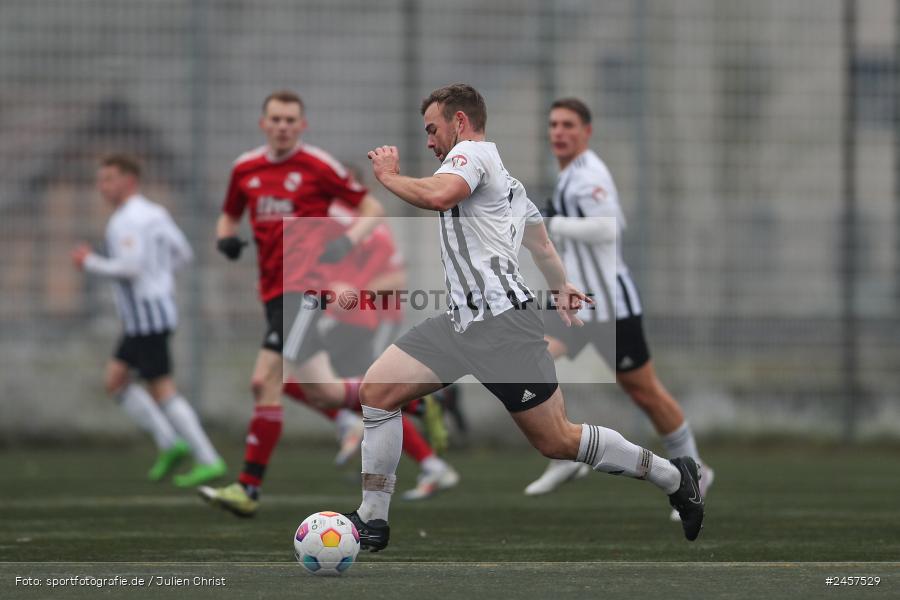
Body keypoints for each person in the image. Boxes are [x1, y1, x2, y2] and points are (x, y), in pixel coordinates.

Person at [344, 84, 705, 552]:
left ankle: (675, 476)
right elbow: (542, 244)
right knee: (377, 391)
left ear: (460, 123)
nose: (429, 142)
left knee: (557, 441)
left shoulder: (472, 156)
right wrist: (560, 286)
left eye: (433, 129)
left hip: (503, 327)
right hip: (461, 323)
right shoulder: (509, 185)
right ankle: (373, 520)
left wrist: (388, 176)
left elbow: (440, 195)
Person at [524, 98, 714, 522]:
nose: (559, 132)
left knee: (644, 391)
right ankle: (564, 451)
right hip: (578, 301)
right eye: (553, 124)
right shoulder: (569, 175)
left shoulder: (589, 173)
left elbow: (610, 226)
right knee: (534, 355)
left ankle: (696, 473)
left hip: (610, 304)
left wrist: (549, 223)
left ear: (586, 132)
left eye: (569, 125)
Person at [200, 90, 385, 517]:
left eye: (290, 120)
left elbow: (372, 207)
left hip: (304, 289)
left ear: (302, 126)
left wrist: (347, 241)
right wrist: (225, 237)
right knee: (321, 390)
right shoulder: (245, 169)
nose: (283, 126)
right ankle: (412, 398)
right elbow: (229, 214)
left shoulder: (318, 166)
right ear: (263, 123)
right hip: (270, 292)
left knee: (265, 378)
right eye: (276, 119)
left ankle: (247, 489)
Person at [282, 196, 459, 500]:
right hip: (336, 315)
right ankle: (429, 460)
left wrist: (350, 292)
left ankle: (363, 422)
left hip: (356, 319)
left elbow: (396, 277)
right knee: (365, 397)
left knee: (289, 378)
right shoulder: (334, 227)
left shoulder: (363, 229)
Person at [71, 154, 226, 487]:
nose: (103, 186)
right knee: (115, 381)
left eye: (109, 178)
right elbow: (183, 253)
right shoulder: (155, 212)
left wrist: (90, 262)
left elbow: (131, 267)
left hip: (145, 317)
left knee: (162, 389)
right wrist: (161, 279)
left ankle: (206, 458)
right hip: (152, 313)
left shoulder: (126, 220)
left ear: (129, 180)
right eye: (102, 179)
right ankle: (170, 443)